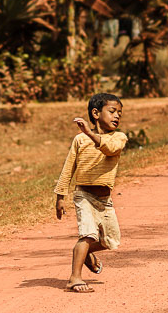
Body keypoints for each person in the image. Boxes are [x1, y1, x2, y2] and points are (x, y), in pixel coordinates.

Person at [54, 93, 127, 292]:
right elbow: (68, 168)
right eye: (112, 111)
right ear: (96, 113)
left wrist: (90, 133)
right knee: (87, 234)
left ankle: (84, 252)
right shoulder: (79, 140)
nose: (117, 116)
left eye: (119, 113)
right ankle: (74, 278)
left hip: (105, 200)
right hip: (83, 195)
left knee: (110, 240)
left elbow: (109, 149)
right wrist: (61, 196)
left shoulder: (119, 137)